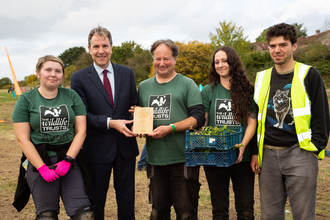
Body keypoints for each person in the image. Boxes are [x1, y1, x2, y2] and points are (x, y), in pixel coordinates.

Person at [251, 23, 330, 220]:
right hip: (268, 156)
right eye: (272, 45)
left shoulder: (309, 74)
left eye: (283, 45)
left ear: (294, 46)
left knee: (303, 214)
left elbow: (322, 114)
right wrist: (255, 152)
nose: (277, 50)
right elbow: (256, 118)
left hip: (300, 153)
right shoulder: (261, 78)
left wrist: (315, 148)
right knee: (269, 215)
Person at [12, 55, 94, 219]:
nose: (53, 74)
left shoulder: (71, 96)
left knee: (85, 215)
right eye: (48, 70)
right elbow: (23, 139)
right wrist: (42, 168)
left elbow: (81, 131)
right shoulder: (26, 100)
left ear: (62, 75)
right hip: (40, 160)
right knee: (46, 216)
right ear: (38, 72)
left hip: (70, 160)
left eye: (58, 71)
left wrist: (68, 160)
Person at [71, 25, 139, 220]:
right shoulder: (79, 78)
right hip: (96, 149)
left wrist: (138, 115)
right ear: (89, 49)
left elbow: (134, 105)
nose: (101, 51)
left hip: (125, 148)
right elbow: (81, 115)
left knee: (127, 200)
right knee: (96, 200)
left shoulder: (127, 73)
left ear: (111, 47)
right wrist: (111, 123)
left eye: (105, 45)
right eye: (96, 46)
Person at [133, 39, 205, 220]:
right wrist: (140, 126)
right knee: (158, 212)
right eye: (158, 59)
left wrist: (171, 128)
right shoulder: (143, 86)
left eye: (166, 58)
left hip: (184, 158)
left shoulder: (188, 84)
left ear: (175, 59)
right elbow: (141, 117)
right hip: (156, 159)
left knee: (186, 213)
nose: (162, 63)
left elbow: (198, 118)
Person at [201, 46, 257, 219]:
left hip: (242, 156)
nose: (220, 65)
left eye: (224, 61)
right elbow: (204, 123)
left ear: (233, 62)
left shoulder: (248, 90)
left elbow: (252, 122)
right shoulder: (208, 90)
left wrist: (243, 145)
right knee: (219, 209)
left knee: (246, 209)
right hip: (215, 158)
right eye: (216, 62)